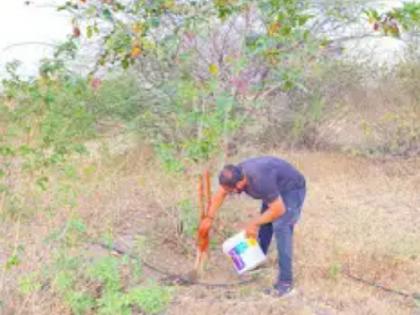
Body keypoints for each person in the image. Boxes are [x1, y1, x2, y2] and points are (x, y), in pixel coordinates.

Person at [198, 156, 306, 296]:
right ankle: (258, 260)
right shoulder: (234, 175)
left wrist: (253, 223)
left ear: (241, 181)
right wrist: (209, 218)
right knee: (265, 222)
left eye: (232, 190)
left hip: (291, 188)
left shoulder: (260, 180)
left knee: (281, 227)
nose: (231, 193)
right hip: (274, 187)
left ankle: (286, 284)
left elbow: (278, 209)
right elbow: (220, 193)